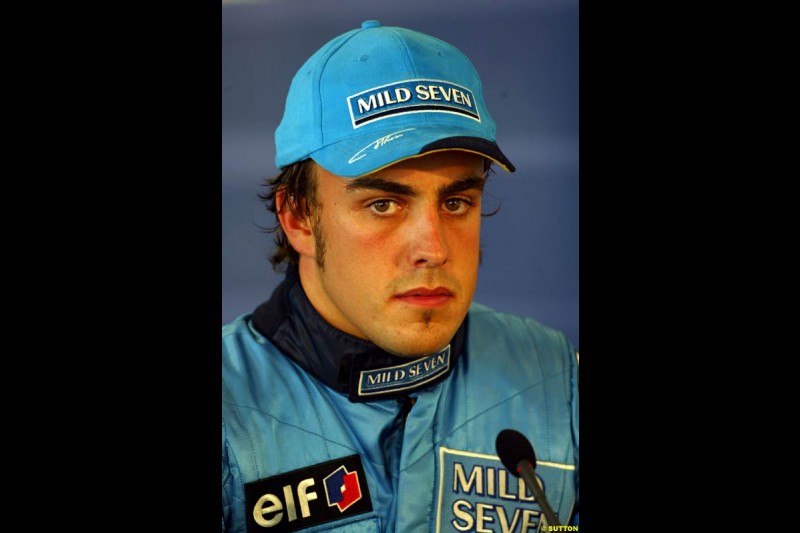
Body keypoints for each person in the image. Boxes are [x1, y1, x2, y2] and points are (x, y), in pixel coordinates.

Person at [222, 20, 578, 533]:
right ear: (299, 217)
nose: (432, 249)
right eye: (383, 204)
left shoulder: (559, 383)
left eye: (456, 202)